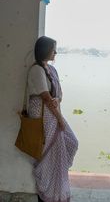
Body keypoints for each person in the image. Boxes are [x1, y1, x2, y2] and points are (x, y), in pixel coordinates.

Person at [27, 36, 78, 202]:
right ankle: (48, 194)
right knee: (49, 156)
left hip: (52, 114)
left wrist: (58, 101)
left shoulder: (51, 70)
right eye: (53, 49)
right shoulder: (36, 70)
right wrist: (60, 119)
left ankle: (58, 193)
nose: (55, 52)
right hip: (43, 117)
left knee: (71, 143)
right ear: (45, 50)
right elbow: (46, 97)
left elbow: (58, 95)